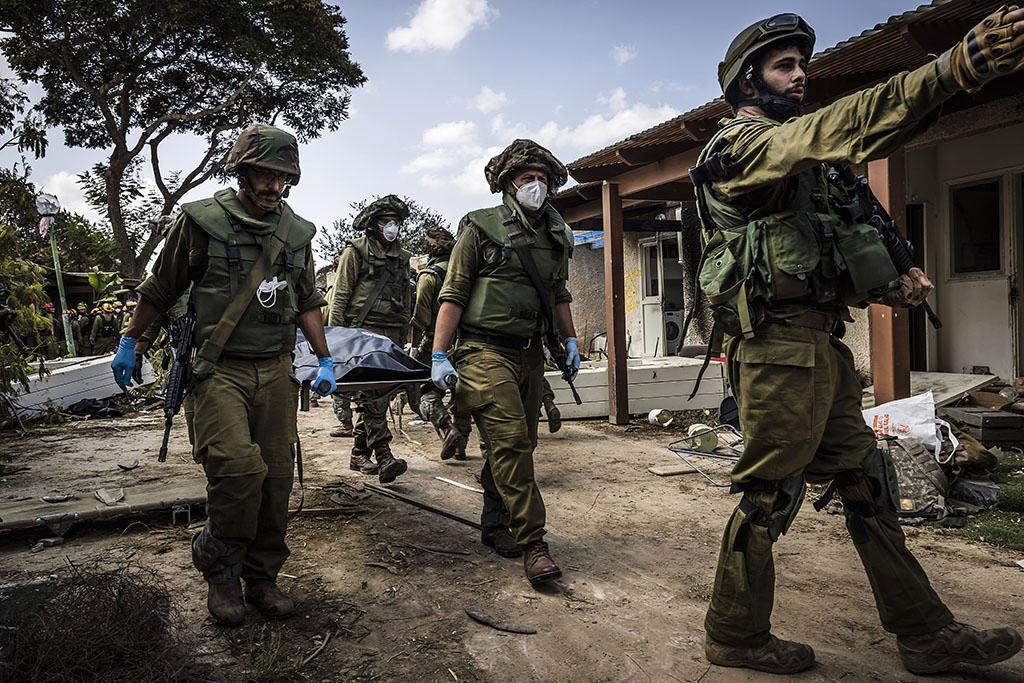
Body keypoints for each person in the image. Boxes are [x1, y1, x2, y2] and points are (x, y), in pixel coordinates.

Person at [692, 10, 1024, 675]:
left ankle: (924, 632)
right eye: (784, 66)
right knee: (770, 495)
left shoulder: (798, 164)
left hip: (821, 350)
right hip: (776, 353)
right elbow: (841, 127)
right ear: (744, 81)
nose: (800, 77)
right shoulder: (738, 148)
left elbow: (815, 254)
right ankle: (734, 630)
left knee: (867, 483)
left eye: (802, 66)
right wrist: (949, 71)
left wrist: (888, 281)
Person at [110, 124, 335, 627]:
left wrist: (324, 358)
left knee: (276, 477)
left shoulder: (296, 233)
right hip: (217, 370)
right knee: (237, 469)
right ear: (242, 169)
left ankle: (261, 578)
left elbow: (307, 300)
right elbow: (160, 287)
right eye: (264, 173)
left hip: (276, 370)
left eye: (283, 177)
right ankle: (219, 565)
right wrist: (132, 341)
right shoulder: (200, 221)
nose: (274, 185)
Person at [430, 139, 580, 585]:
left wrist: (570, 341)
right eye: (526, 178)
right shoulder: (481, 228)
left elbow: (559, 294)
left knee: (520, 444)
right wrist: (439, 353)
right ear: (508, 184)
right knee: (512, 441)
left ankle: (494, 521)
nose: (536, 185)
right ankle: (534, 542)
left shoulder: (557, 235)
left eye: (543, 178)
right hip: (482, 350)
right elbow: (453, 292)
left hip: (530, 352)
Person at [327, 194, 412, 483]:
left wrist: (403, 337)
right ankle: (384, 454)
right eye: (387, 221)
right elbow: (340, 295)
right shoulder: (356, 252)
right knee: (374, 397)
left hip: (390, 336)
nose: (393, 227)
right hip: (361, 334)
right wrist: (334, 340)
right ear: (374, 225)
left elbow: (405, 300)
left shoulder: (402, 259)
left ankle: (358, 452)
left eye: (397, 222)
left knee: (378, 396)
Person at [412, 225, 470, 460]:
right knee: (463, 393)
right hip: (467, 341)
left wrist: (415, 347)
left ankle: (447, 427)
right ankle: (461, 447)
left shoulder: (429, 276)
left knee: (426, 391)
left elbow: (421, 317)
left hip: (436, 343)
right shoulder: (467, 272)